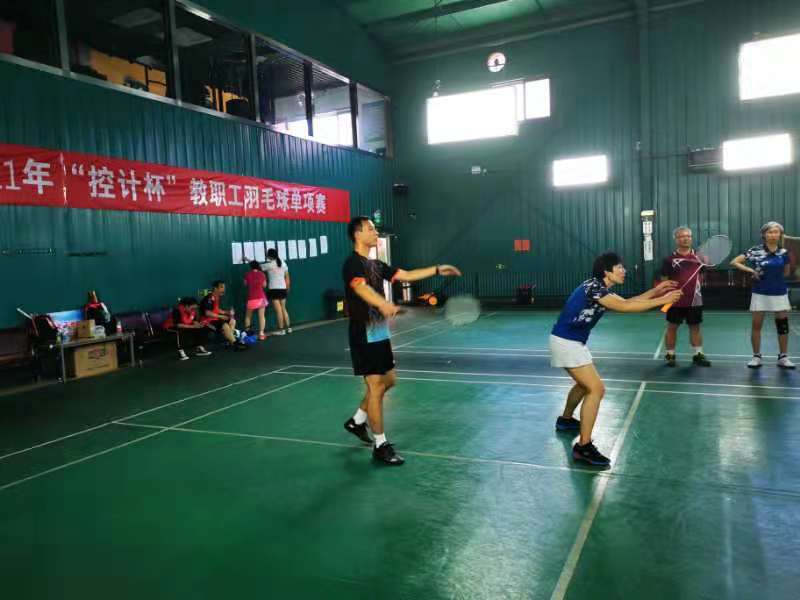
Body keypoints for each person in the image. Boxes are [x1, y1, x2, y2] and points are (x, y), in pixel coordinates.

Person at [342, 216, 461, 466]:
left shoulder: (376, 264)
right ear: (357, 234)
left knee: (389, 381)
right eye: (371, 229)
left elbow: (406, 274)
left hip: (380, 332)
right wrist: (383, 304)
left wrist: (437, 269)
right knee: (376, 387)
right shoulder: (352, 264)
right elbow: (360, 288)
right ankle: (380, 445)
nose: (375, 233)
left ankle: (358, 420)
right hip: (364, 332)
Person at [551, 252, 681, 466]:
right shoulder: (594, 288)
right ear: (607, 271)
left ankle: (565, 420)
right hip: (567, 343)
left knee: (584, 385)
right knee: (596, 389)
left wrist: (656, 291)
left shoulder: (599, 289)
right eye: (620, 267)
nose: (624, 271)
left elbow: (628, 301)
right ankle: (583, 447)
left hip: (571, 342)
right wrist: (663, 300)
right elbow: (626, 307)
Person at [730, 221, 795, 369]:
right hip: (760, 293)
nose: (773, 235)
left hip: (779, 293)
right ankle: (756, 356)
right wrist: (751, 271)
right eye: (770, 232)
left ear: (780, 235)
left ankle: (783, 357)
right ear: (764, 235)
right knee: (757, 325)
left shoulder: (784, 253)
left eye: (776, 232)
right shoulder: (755, 251)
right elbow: (734, 262)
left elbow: (786, 272)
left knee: (782, 326)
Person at [660, 226, 712, 367]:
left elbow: (702, 275)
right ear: (676, 239)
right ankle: (670, 354)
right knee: (672, 327)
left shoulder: (700, 258)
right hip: (674, 300)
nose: (686, 239)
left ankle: (698, 354)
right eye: (682, 236)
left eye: (688, 236)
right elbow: (664, 280)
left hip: (695, 300)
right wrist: (668, 296)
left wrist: (695, 288)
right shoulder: (669, 259)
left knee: (695, 327)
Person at [200, 280, 246, 350]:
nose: (224, 289)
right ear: (215, 288)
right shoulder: (209, 298)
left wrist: (227, 312)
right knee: (225, 325)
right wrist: (221, 316)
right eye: (221, 287)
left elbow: (216, 310)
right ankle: (235, 344)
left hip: (215, 319)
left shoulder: (217, 297)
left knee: (232, 321)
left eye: (224, 287)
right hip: (207, 321)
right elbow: (207, 313)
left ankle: (230, 341)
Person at [263, 248, 292, 335]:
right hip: (283, 289)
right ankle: (289, 328)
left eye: (267, 254)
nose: (266, 255)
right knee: (283, 309)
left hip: (274, 290)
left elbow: (256, 266)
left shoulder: (269, 265)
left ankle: (281, 330)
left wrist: (248, 260)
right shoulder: (283, 263)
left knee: (278, 311)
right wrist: (287, 287)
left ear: (270, 256)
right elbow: (287, 276)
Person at [243, 261, 268, 340]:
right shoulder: (262, 274)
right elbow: (264, 285)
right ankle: (261, 334)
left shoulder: (247, 274)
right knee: (262, 316)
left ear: (250, 267)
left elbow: (245, 284)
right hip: (261, 297)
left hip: (251, 298)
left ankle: (247, 333)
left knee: (248, 317)